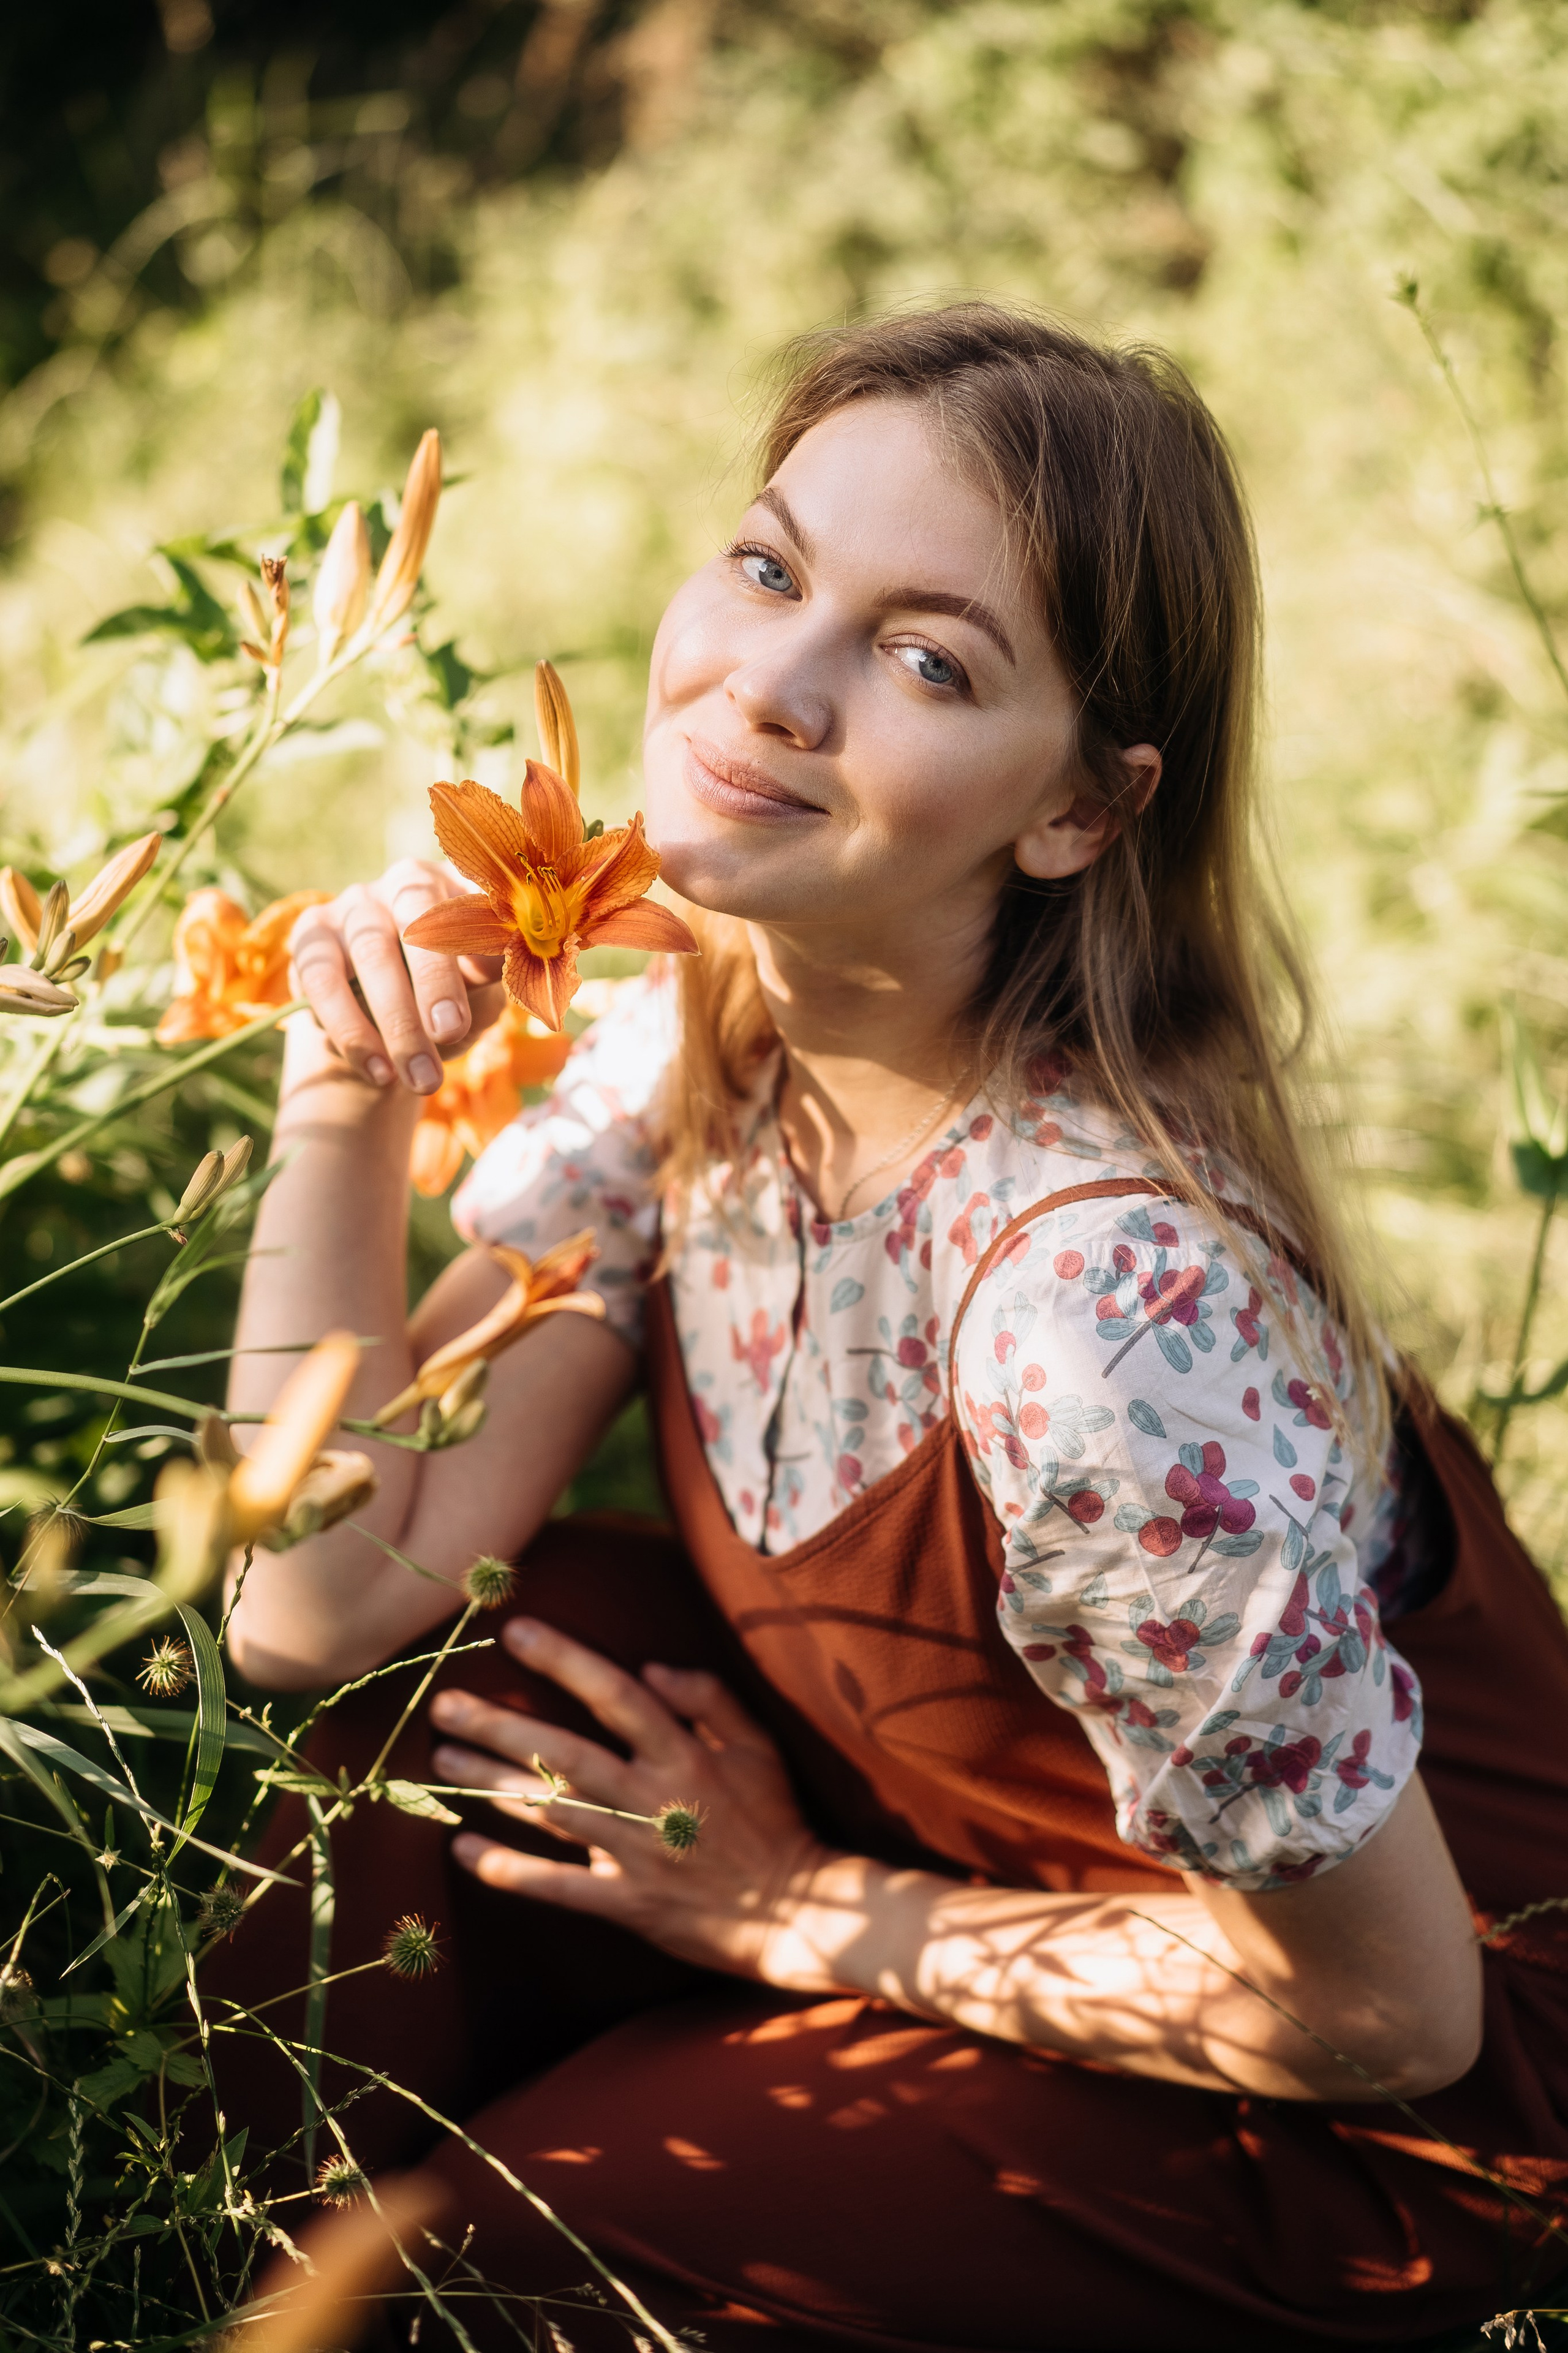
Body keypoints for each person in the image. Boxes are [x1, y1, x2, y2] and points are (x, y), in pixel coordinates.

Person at [211, 304, 1568, 2351]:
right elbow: (314, 1602)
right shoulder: (708, 1028)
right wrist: (349, 1084)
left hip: (1366, 2091)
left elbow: (1385, 2012)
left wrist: (796, 1919)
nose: (770, 683)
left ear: (1082, 813)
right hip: (947, 1830)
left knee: (473, 2267)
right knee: (381, 1776)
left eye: (929, 660)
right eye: (769, 567)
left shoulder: (1101, 1324)